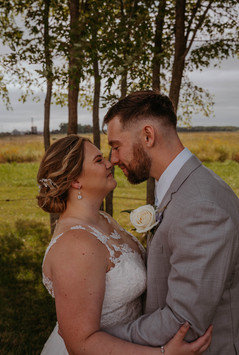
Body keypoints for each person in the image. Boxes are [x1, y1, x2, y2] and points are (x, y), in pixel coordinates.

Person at [38, 135, 212, 355]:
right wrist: (163, 354)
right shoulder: (75, 246)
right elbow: (81, 344)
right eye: (98, 160)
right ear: (75, 180)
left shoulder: (103, 220)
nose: (110, 162)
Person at [103, 90, 239, 355]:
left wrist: (100, 337)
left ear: (148, 136)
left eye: (117, 146)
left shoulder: (201, 207)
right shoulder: (181, 186)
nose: (113, 159)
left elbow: (183, 323)